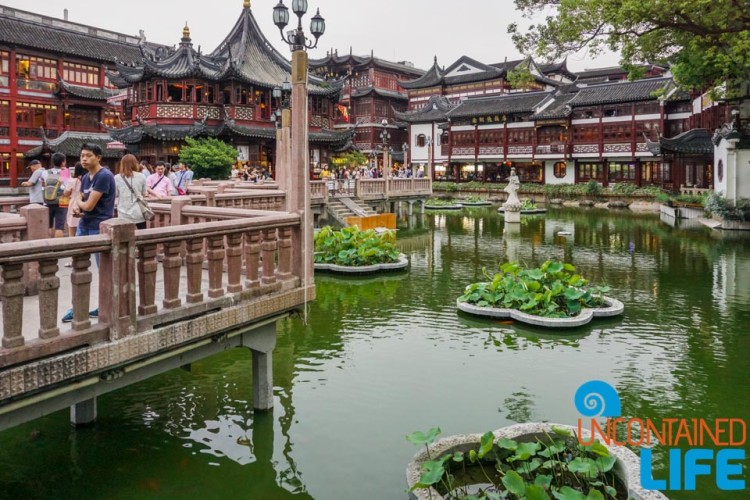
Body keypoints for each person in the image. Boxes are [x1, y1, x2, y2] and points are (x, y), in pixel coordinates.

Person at [62, 143, 116, 322]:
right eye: (82, 155)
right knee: (78, 266)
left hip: (100, 228)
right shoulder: (86, 177)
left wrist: (79, 201)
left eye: (88, 155)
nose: (84, 158)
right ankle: (77, 307)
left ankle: (106, 306)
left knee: (105, 270)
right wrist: (80, 208)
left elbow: (89, 203)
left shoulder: (104, 176)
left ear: (98, 157)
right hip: (84, 224)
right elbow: (83, 202)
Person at [115, 154, 148, 229]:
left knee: (124, 237)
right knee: (142, 235)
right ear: (135, 163)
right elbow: (144, 193)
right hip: (139, 211)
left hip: (123, 212)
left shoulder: (117, 178)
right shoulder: (142, 176)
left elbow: (116, 194)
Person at [41, 152, 67, 238]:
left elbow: (42, 184)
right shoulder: (65, 172)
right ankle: (58, 247)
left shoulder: (45, 172)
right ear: (63, 162)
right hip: (62, 200)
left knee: (49, 225)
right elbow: (67, 187)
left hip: (48, 200)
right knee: (59, 226)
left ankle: (50, 245)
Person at [63, 162, 85, 238]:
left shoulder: (72, 181)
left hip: (74, 204)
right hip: (85, 203)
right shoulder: (88, 179)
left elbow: (66, 194)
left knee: (72, 227)